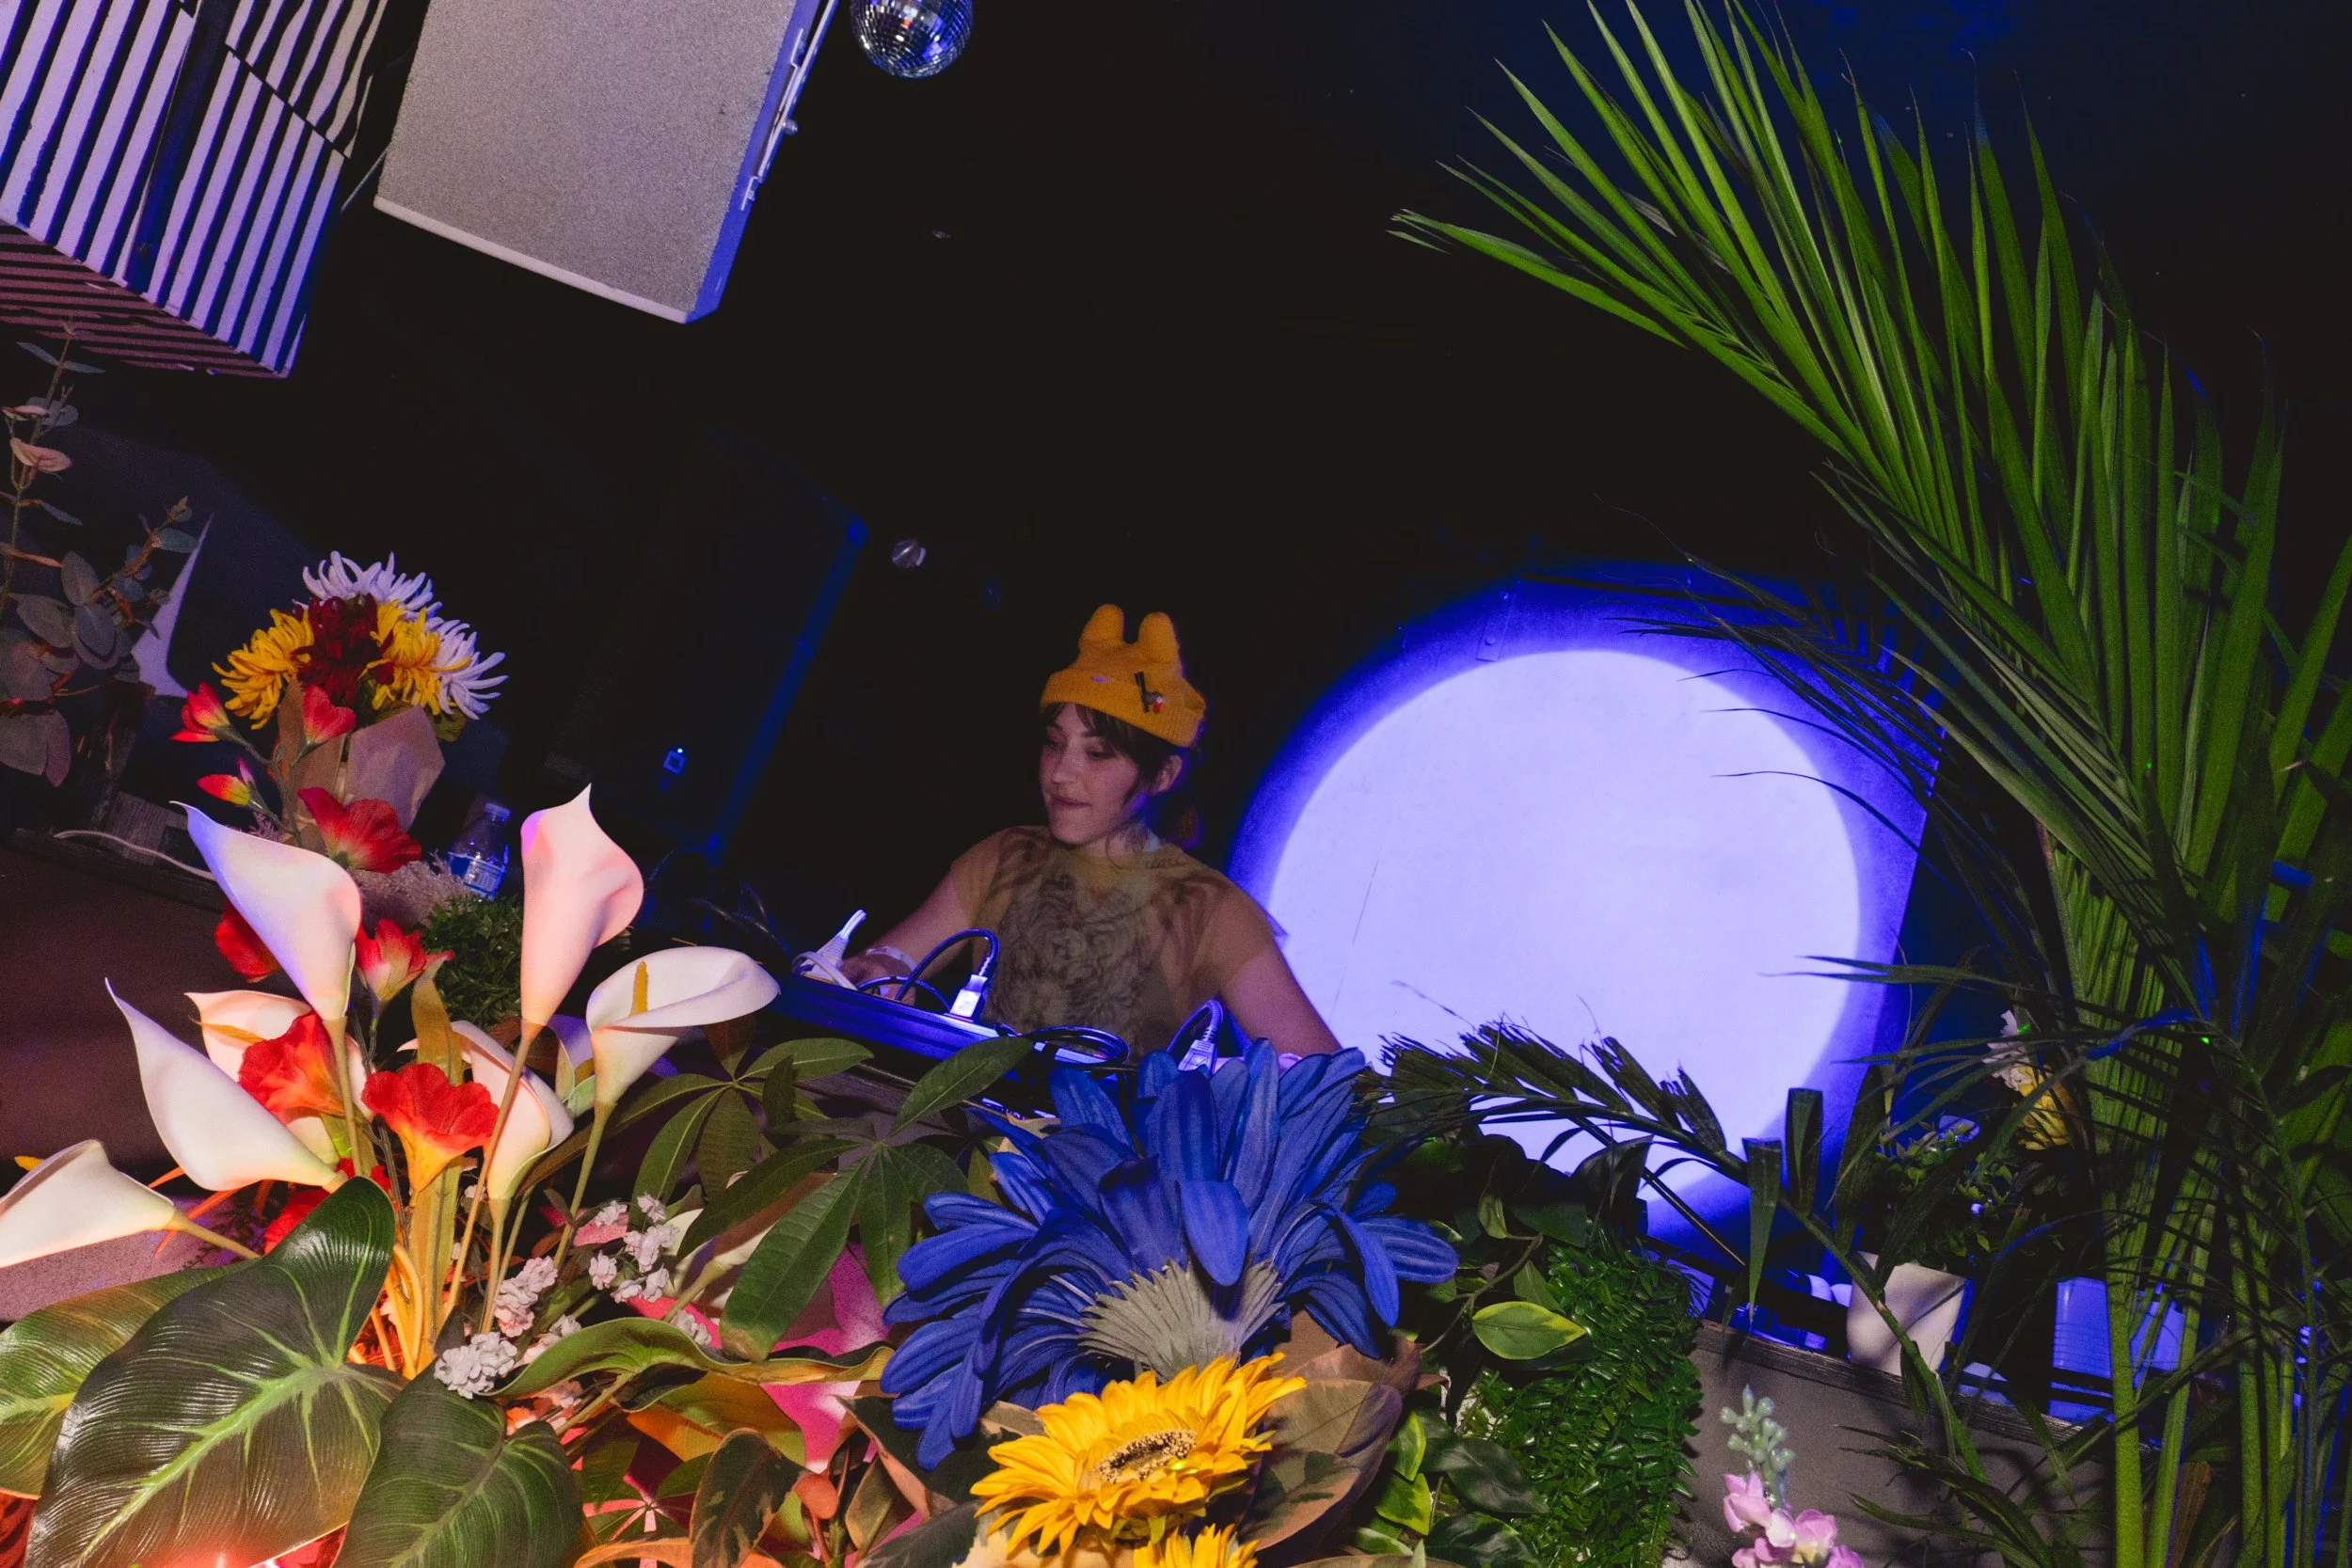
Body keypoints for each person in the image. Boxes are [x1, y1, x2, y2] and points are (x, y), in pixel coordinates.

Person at [842, 604, 1341, 1056]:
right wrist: (879, 971)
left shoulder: (1210, 907)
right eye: (1053, 743)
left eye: (1098, 754)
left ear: (1162, 774)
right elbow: (893, 962)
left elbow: (1325, 1080)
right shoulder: (1005, 854)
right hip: (959, 1142)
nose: (1060, 772)